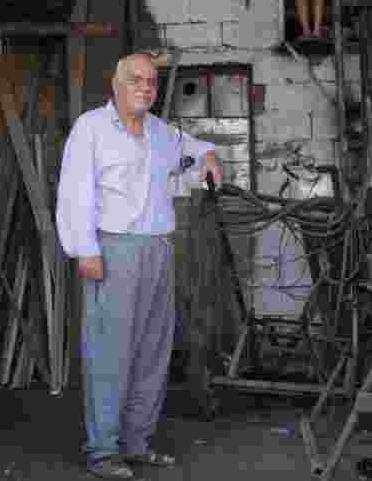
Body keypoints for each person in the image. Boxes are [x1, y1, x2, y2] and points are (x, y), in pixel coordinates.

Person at [55, 53, 224, 480]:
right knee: (110, 354)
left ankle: (136, 443)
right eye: (136, 80)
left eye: (152, 81)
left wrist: (208, 157)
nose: (146, 87)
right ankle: (103, 451)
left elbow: (194, 149)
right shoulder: (92, 128)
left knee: (152, 352)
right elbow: (74, 191)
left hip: (158, 249)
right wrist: (85, 250)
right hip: (113, 249)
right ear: (116, 85)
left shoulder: (161, 133)